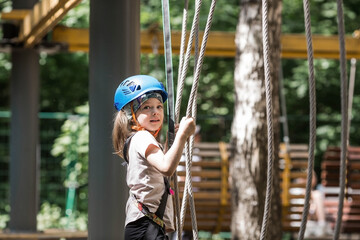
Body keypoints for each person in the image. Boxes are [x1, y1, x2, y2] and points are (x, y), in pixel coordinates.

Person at [112, 75, 196, 240]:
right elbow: (166, 167)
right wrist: (183, 135)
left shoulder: (140, 139)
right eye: (146, 107)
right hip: (145, 225)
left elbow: (159, 168)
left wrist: (170, 143)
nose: (155, 112)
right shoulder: (142, 137)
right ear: (131, 114)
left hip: (147, 225)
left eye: (159, 106)